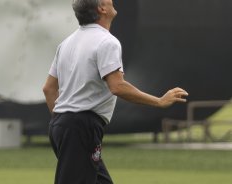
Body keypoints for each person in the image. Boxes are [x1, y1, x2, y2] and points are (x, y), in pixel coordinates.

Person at [43, 0, 189, 183]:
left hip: (62, 125)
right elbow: (117, 86)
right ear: (101, 9)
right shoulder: (107, 42)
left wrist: (60, 121)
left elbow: (48, 89)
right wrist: (159, 101)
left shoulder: (66, 43)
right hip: (81, 126)